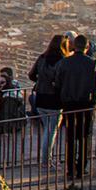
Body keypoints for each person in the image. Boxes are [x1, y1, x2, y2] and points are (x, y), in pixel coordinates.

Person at [55, 38, 96, 185]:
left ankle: (70, 170)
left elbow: (58, 83)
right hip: (87, 104)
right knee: (85, 137)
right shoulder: (93, 63)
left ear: (73, 46)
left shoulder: (64, 62)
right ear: (87, 47)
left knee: (70, 137)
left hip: (69, 104)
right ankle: (81, 168)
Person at [29, 35, 70, 166]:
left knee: (47, 129)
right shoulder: (64, 61)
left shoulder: (42, 58)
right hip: (54, 99)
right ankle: (46, 161)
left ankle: (48, 159)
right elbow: (63, 81)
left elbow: (31, 75)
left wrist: (41, 81)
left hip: (40, 98)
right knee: (50, 131)